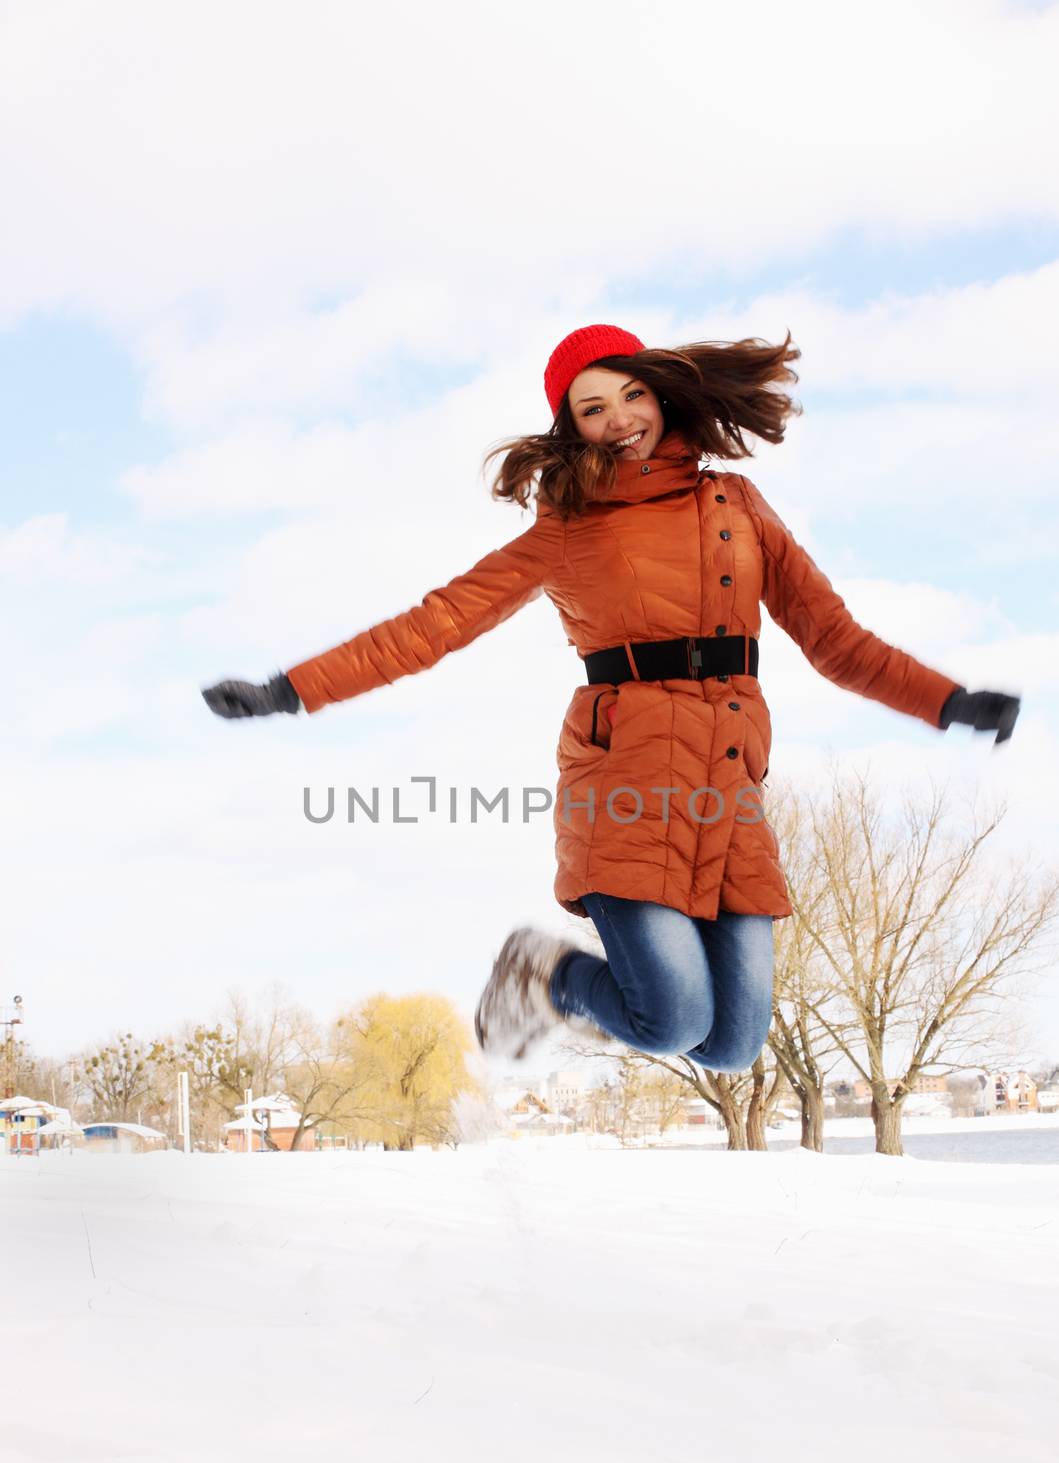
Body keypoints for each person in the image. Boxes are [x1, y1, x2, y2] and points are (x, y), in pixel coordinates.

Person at [202, 324, 1021, 1068]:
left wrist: (947, 702)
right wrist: (290, 689)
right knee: (669, 1021)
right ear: (571, 428)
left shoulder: (736, 504)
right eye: (591, 407)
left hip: (728, 789)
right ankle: (541, 969)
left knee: (732, 1045)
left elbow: (834, 639)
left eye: (630, 392)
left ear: (660, 392)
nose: (620, 416)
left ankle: (564, 980)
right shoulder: (566, 529)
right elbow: (436, 624)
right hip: (626, 782)